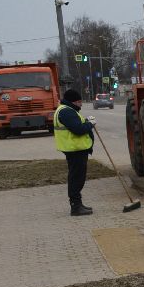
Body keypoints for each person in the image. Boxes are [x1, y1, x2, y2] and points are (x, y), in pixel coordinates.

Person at [53, 88, 96, 216]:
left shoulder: (66, 110)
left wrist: (87, 121)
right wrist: (90, 124)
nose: (81, 104)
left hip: (74, 149)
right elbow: (78, 129)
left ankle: (78, 204)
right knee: (76, 178)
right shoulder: (67, 112)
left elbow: (77, 124)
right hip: (75, 149)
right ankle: (76, 207)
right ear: (72, 101)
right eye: (79, 101)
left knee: (76, 177)